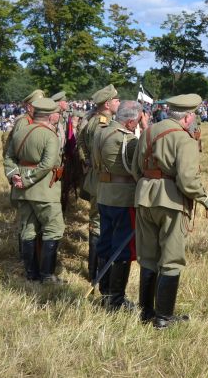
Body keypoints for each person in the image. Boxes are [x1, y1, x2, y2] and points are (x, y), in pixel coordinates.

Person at [130, 93, 208, 329]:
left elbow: (135, 166)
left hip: (144, 197)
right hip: (171, 202)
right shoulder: (183, 139)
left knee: (148, 258)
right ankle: (163, 318)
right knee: (171, 260)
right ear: (188, 117)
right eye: (194, 116)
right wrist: (207, 200)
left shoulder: (148, 131)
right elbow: (188, 180)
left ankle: (146, 313)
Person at [3, 97, 65, 283]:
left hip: (22, 191)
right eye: (56, 113)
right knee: (53, 229)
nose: (57, 115)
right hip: (44, 190)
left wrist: (16, 177)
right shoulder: (50, 135)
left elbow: (8, 158)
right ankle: (47, 275)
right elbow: (48, 165)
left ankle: (31, 275)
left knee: (28, 230)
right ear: (48, 115)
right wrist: (28, 180)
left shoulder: (20, 132)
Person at [94, 100, 147, 310]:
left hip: (104, 194)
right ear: (132, 121)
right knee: (123, 249)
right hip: (123, 198)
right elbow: (141, 165)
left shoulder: (102, 132)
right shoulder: (128, 139)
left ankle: (106, 292)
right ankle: (116, 300)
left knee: (106, 244)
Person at [78, 84, 120, 282]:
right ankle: (95, 273)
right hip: (101, 180)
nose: (119, 103)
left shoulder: (93, 121)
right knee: (97, 224)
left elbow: (80, 142)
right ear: (107, 103)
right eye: (116, 100)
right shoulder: (102, 123)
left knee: (98, 222)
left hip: (96, 176)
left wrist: (87, 160)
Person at [1, 89, 45, 157]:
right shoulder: (23, 121)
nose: (41, 109)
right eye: (37, 107)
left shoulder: (35, 120)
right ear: (29, 107)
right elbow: (19, 146)